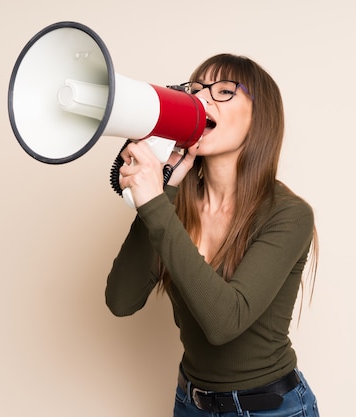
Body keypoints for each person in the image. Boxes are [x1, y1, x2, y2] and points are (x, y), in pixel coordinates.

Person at [105, 53, 320, 417]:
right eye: (196, 89)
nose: (201, 99)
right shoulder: (171, 201)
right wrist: (164, 192)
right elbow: (120, 300)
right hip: (191, 404)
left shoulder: (289, 215)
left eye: (223, 91)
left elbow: (225, 323)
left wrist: (155, 202)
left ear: (260, 118)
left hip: (270, 409)